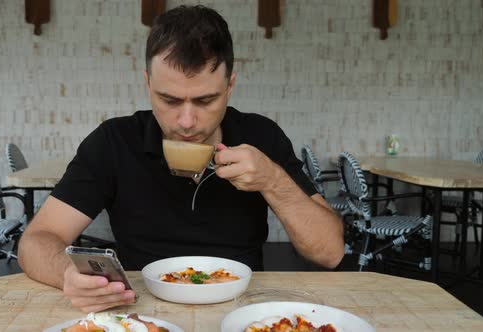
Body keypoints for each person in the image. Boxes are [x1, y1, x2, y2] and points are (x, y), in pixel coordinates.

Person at [18, 5, 344, 313]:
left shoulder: (261, 136)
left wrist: (273, 181)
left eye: (205, 100)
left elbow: (329, 253)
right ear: (148, 84)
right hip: (136, 310)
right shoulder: (114, 142)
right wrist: (68, 275)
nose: (186, 122)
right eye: (169, 100)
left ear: (230, 86)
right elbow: (36, 240)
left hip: (242, 310)